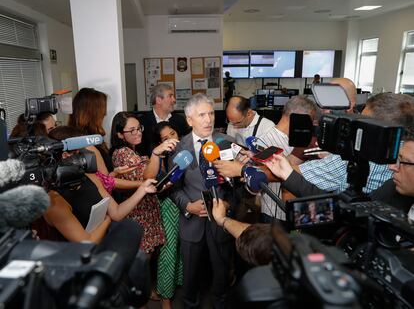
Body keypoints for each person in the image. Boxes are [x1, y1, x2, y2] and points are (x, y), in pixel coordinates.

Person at [32, 125, 157, 243]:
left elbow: (117, 213)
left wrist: (142, 190)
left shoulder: (89, 177)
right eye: (81, 152)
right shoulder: (54, 201)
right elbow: (87, 242)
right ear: (66, 156)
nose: (87, 154)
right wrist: (107, 219)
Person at [169, 93, 234, 309]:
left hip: (221, 221)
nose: (208, 120)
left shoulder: (228, 144)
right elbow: (173, 188)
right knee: (190, 278)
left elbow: (240, 187)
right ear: (189, 120)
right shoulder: (179, 148)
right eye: (201, 115)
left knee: (221, 275)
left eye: (211, 113)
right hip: (191, 222)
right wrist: (187, 205)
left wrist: (227, 204)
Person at [263, 126, 414, 214]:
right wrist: (287, 174)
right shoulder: (391, 188)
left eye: (404, 162)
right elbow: (346, 211)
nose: (392, 167)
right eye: (397, 160)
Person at [296, 93, 414, 194]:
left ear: (376, 128)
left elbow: (295, 175)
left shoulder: (358, 154)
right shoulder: (406, 154)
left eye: (362, 121)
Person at [110, 111, 178, 254]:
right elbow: (147, 179)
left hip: (147, 213)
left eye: (139, 128)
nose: (137, 133)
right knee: (142, 262)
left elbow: (150, 181)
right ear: (120, 134)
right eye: (131, 130)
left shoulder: (134, 151)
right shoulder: (122, 153)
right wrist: (155, 154)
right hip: (138, 216)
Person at [142, 122, 184, 309]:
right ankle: (165, 299)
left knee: (180, 251)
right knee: (168, 253)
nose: (172, 139)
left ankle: (175, 285)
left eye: (173, 133)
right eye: (165, 138)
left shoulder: (187, 151)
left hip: (186, 206)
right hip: (168, 206)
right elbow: (150, 182)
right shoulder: (159, 158)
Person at [68, 87, 140, 194]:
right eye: (102, 114)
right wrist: (142, 184)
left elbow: (103, 178)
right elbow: (106, 182)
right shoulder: (85, 143)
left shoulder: (92, 139)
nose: (104, 115)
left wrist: (116, 172)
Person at [140, 83, 190, 156]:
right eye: (170, 96)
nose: (174, 100)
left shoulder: (180, 120)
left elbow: (187, 145)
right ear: (159, 100)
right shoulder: (143, 122)